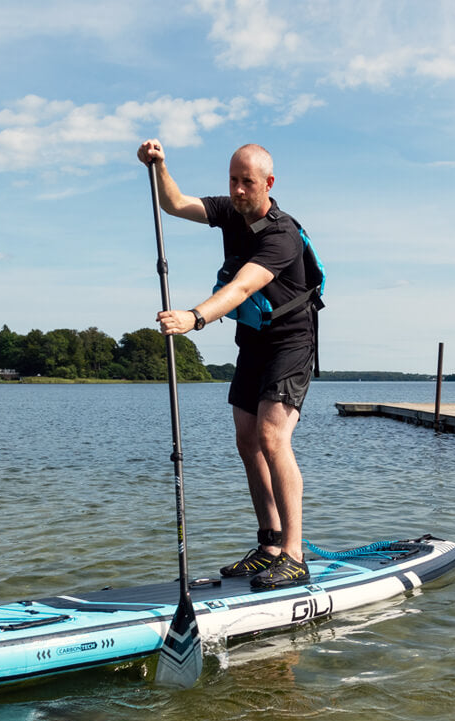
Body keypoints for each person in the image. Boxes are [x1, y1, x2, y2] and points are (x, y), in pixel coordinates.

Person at [138, 138, 318, 590]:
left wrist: (193, 317)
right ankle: (270, 544)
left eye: (247, 182)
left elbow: (240, 289)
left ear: (268, 184)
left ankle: (294, 555)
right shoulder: (229, 210)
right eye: (233, 180)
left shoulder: (283, 235)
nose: (238, 190)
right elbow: (174, 203)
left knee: (272, 436)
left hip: (291, 343)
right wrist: (159, 165)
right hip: (254, 342)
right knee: (246, 438)